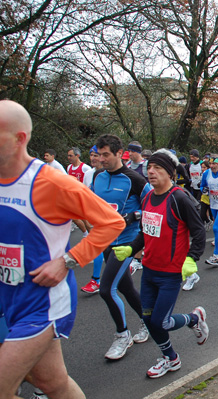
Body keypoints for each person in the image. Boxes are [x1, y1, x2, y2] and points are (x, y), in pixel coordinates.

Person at [0, 99, 125, 399]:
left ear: (20, 139)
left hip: (42, 304)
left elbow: (112, 222)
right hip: (9, 299)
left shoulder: (51, 182)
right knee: (54, 384)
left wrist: (68, 260)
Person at [111, 149, 209, 378]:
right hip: (150, 271)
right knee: (147, 318)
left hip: (171, 273)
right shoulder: (147, 197)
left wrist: (191, 258)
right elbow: (146, 231)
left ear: (171, 173)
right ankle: (171, 359)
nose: (151, 172)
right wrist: (131, 249)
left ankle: (194, 319)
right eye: (150, 168)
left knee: (160, 321)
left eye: (158, 169)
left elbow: (198, 231)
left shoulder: (179, 198)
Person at [92, 134, 153, 360]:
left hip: (126, 242)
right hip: (106, 241)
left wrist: (134, 215)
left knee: (107, 290)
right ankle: (148, 321)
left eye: (106, 154)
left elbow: (156, 206)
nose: (101, 159)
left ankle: (122, 335)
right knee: (126, 288)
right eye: (99, 154)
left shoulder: (134, 179)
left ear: (120, 153)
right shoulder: (98, 177)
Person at [80, 145, 105, 294]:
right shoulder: (89, 174)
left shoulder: (113, 174)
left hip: (114, 219)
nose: (93, 158)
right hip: (96, 218)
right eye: (91, 155)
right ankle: (96, 280)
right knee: (98, 248)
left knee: (113, 252)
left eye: (96, 155)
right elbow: (85, 195)